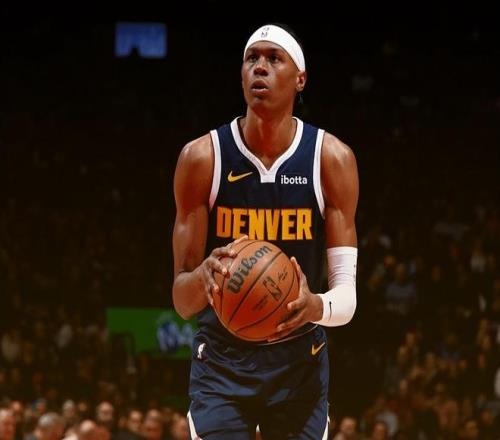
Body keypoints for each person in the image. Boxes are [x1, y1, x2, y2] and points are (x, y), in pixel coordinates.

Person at [173, 23, 359, 439]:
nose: (260, 67)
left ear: (300, 78)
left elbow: (347, 298)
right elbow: (182, 301)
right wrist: (203, 277)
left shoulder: (331, 159)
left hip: (299, 362)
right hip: (221, 360)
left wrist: (315, 306)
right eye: (251, 59)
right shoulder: (202, 158)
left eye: (274, 59)